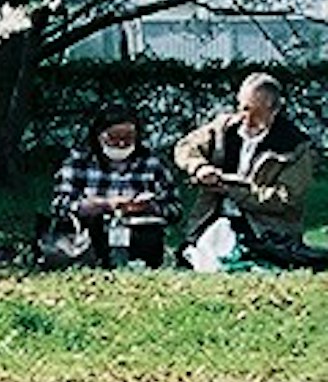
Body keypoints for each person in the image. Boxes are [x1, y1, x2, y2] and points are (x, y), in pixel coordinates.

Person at [172, 72, 314, 267]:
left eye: (256, 114)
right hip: (214, 218)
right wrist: (199, 167)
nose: (247, 120)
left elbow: (285, 199)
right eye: (244, 109)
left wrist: (233, 189)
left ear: (274, 110)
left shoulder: (294, 147)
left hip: (265, 229)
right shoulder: (223, 127)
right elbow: (186, 146)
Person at [45, 111, 173, 266]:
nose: (121, 144)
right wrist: (103, 205)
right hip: (89, 237)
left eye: (128, 138)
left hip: (140, 236)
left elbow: (174, 208)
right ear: (99, 136)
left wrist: (147, 207)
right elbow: (60, 205)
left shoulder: (153, 164)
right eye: (113, 138)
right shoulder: (79, 162)